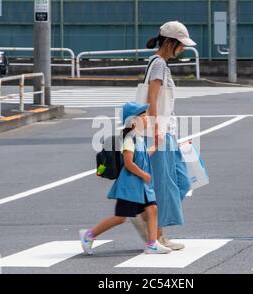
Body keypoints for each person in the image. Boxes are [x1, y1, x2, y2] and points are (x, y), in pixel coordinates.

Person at [131, 21, 195, 250]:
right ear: (170, 42)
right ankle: (156, 236)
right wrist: (157, 131)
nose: (183, 48)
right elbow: (152, 99)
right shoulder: (158, 64)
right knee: (164, 185)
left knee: (182, 181)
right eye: (181, 44)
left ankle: (148, 221)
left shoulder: (159, 63)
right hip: (157, 132)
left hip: (166, 131)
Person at [79, 102, 171, 255]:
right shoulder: (129, 140)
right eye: (143, 116)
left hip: (140, 187)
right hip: (130, 186)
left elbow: (143, 157)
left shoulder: (138, 139)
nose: (147, 118)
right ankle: (89, 235)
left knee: (152, 209)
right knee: (120, 218)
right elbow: (129, 164)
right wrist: (144, 175)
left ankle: (152, 244)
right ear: (133, 121)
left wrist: (156, 145)